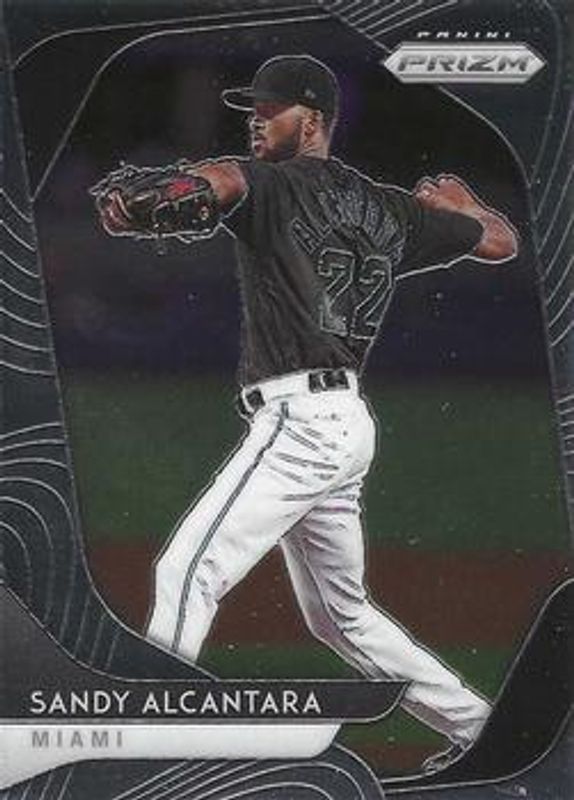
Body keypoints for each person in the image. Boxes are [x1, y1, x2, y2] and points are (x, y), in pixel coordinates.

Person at [98, 54, 518, 770]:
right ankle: (484, 731)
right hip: (346, 424)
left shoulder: (270, 184)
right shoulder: (393, 212)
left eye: (271, 110)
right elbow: (500, 242)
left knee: (188, 571)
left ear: (313, 119)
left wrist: (170, 192)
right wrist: (467, 204)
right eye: (252, 110)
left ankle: (144, 749)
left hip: (300, 425)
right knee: (341, 617)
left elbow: (220, 182)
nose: (255, 120)